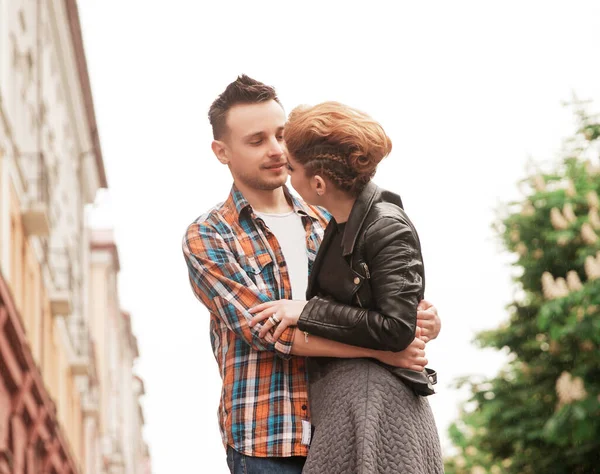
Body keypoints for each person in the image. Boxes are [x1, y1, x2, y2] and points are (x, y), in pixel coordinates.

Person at [182, 75, 441, 474]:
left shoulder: (331, 217)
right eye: (256, 141)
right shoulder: (209, 235)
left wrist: (420, 320)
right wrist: (383, 350)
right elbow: (271, 331)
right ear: (222, 151)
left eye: (281, 136)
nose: (276, 151)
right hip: (270, 441)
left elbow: (379, 313)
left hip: (349, 424)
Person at [249, 101, 444, 473]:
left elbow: (396, 328)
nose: (286, 174)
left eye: (292, 168)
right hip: (352, 405)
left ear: (318, 183)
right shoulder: (342, 222)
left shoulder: (384, 225)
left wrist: (305, 311)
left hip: (377, 413)